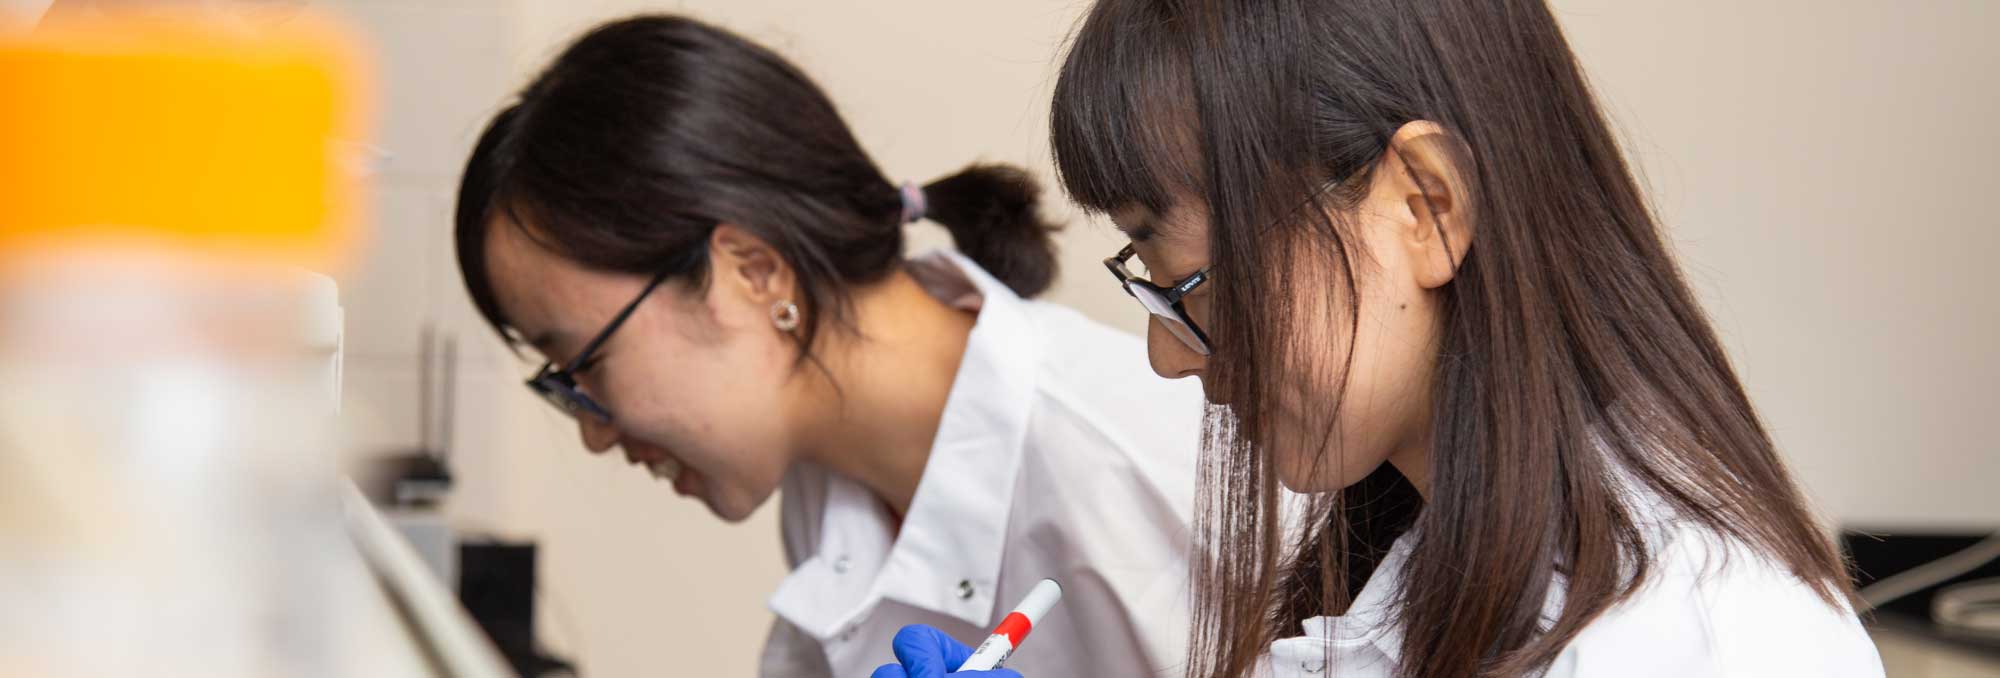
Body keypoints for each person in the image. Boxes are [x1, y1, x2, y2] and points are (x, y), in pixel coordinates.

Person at [873, 0, 1886, 676]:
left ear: (1424, 206)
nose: (1170, 353)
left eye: (1188, 279)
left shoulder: (1693, 643)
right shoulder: (1402, 572)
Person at [452, 14, 1205, 678]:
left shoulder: (1156, 474)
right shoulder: (829, 475)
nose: (592, 432)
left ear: (753, 272)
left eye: (583, 360)